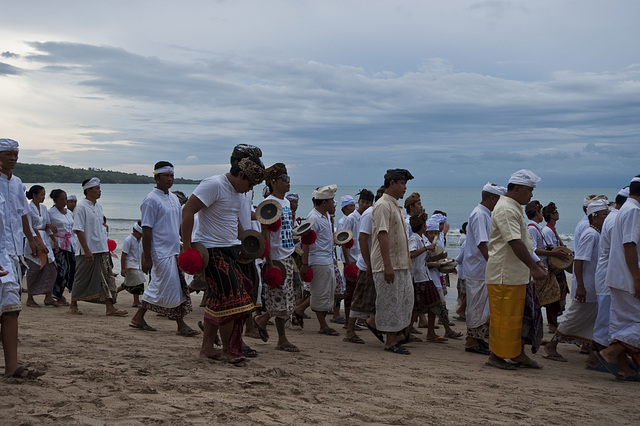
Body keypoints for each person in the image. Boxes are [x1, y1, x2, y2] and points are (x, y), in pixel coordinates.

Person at [181, 156, 265, 364]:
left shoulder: (237, 191)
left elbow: (231, 218)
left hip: (230, 249)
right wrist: (187, 248)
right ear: (241, 174)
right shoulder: (214, 184)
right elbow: (188, 211)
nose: (249, 189)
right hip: (211, 251)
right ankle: (229, 350)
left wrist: (245, 240)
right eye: (250, 183)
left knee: (218, 300)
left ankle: (207, 348)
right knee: (233, 302)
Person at [485, 169, 546, 370]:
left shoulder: (513, 207)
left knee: (517, 318)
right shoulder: (506, 209)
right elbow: (514, 241)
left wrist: (535, 262)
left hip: (515, 274)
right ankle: (496, 356)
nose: (531, 195)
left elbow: (524, 241)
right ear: (518, 188)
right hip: (504, 273)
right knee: (504, 318)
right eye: (529, 190)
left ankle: (517, 353)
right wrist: (533, 266)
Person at [130, 162, 197, 336]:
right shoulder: (151, 200)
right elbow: (146, 229)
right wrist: (146, 257)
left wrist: (185, 242)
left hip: (173, 250)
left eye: (172, 176)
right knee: (168, 286)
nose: (169, 179)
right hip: (159, 252)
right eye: (166, 176)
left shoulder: (174, 199)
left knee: (167, 286)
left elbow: (178, 224)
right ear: (157, 177)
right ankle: (181, 325)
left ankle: (139, 318)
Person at [543, 199, 609, 367]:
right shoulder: (590, 234)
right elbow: (579, 261)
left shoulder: (599, 233)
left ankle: (593, 356)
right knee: (573, 317)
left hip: (594, 286)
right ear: (594, 217)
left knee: (594, 320)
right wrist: (580, 285)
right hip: (587, 286)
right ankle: (552, 346)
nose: (606, 217)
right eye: (604, 215)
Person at [0, 138, 44, 379]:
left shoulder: (17, 184)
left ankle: (11, 365)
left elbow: (23, 215)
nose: (13, 158)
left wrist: (34, 239)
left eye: (15, 154)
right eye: (7, 153)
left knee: (11, 309)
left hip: (13, 254)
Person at [254, 163, 302, 352]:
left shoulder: (286, 203)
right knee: (280, 297)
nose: (288, 182)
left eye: (288, 178)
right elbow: (265, 232)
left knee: (292, 294)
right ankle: (281, 338)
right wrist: (269, 261)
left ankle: (262, 319)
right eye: (284, 179)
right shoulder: (268, 203)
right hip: (276, 257)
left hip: (288, 254)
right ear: (273, 182)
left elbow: (287, 229)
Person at [597, 176, 640, 381]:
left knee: (622, 323)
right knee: (635, 322)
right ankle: (610, 353)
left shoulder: (623, 210)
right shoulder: (633, 211)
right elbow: (630, 245)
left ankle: (623, 368)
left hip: (618, 276)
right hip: (627, 277)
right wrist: (637, 278)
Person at [369, 169, 415, 355]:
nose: (405, 188)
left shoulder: (395, 205)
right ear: (392, 184)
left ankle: (377, 324)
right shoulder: (382, 205)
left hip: (401, 262)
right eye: (402, 183)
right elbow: (382, 235)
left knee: (404, 300)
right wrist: (387, 265)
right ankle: (390, 341)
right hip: (388, 264)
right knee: (390, 301)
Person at [69, 177, 127, 316]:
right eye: (97, 189)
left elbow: (100, 228)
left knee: (106, 278)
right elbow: (78, 230)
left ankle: (110, 307)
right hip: (87, 250)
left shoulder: (98, 207)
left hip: (101, 248)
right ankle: (73, 304)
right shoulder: (81, 207)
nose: (99, 191)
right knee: (81, 277)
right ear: (88, 191)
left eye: (99, 188)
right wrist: (87, 250)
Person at [463, 183, 506, 355]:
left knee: (483, 307)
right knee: (477, 307)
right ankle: (471, 341)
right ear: (493, 198)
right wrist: (494, 264)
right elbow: (482, 243)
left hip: (482, 268)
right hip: (478, 268)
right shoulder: (480, 214)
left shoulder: (486, 214)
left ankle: (478, 340)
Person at [299, 184, 340, 336]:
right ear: (324, 202)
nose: (333, 203)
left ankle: (299, 310)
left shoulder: (326, 216)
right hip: (318, 261)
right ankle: (323, 325)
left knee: (326, 292)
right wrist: (305, 264)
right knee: (320, 294)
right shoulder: (313, 218)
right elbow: (306, 241)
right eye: (331, 201)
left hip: (327, 259)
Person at [592, 187, 628, 351]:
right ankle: (596, 358)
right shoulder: (615, 221)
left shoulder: (614, 218)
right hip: (609, 276)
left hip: (610, 275)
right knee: (606, 319)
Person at [526, 200, 570, 333]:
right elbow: (532, 249)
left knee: (551, 296)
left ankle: (550, 323)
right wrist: (551, 253)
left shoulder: (537, 228)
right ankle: (549, 323)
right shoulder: (533, 228)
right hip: (541, 267)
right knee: (548, 297)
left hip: (543, 266)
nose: (542, 215)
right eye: (540, 212)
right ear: (536, 213)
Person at [409, 213, 450, 343]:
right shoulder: (414, 239)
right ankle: (409, 331)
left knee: (434, 303)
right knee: (415, 307)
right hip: (418, 277)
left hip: (425, 277)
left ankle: (430, 332)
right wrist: (426, 248)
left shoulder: (420, 238)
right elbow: (411, 254)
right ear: (423, 226)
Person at [340, 189, 374, 341]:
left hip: (362, 255)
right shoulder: (351, 218)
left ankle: (357, 321)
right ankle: (349, 324)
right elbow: (345, 240)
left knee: (357, 293)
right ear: (358, 202)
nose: (364, 205)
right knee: (351, 293)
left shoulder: (367, 215)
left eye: (368, 203)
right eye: (363, 202)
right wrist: (348, 262)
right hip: (353, 258)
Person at [24, 185, 59, 307]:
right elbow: (28, 227)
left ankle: (48, 296)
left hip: (45, 238)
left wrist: (54, 240)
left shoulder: (44, 208)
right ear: (34, 195)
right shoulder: (28, 209)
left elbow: (47, 225)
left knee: (51, 269)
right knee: (34, 269)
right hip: (33, 240)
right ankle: (30, 297)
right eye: (42, 195)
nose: (44, 197)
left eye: (45, 195)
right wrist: (38, 243)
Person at [541, 202, 570, 316]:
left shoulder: (551, 229)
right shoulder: (547, 230)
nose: (558, 214)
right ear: (551, 215)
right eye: (555, 212)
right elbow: (549, 248)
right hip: (554, 266)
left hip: (557, 266)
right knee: (556, 292)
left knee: (561, 290)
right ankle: (553, 320)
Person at [49, 189, 76, 306]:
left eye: (65, 199)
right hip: (58, 244)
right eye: (61, 199)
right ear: (55, 200)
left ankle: (66, 290)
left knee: (72, 269)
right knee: (61, 269)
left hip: (70, 244)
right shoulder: (51, 213)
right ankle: (57, 294)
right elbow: (44, 226)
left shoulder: (69, 213)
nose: (64, 202)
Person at [118, 222, 145, 308]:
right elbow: (124, 254)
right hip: (130, 264)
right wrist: (123, 268)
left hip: (138, 265)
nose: (141, 236)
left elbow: (142, 253)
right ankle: (136, 301)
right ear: (135, 231)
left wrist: (143, 264)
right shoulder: (128, 240)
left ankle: (114, 292)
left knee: (128, 284)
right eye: (140, 234)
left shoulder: (140, 241)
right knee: (138, 283)